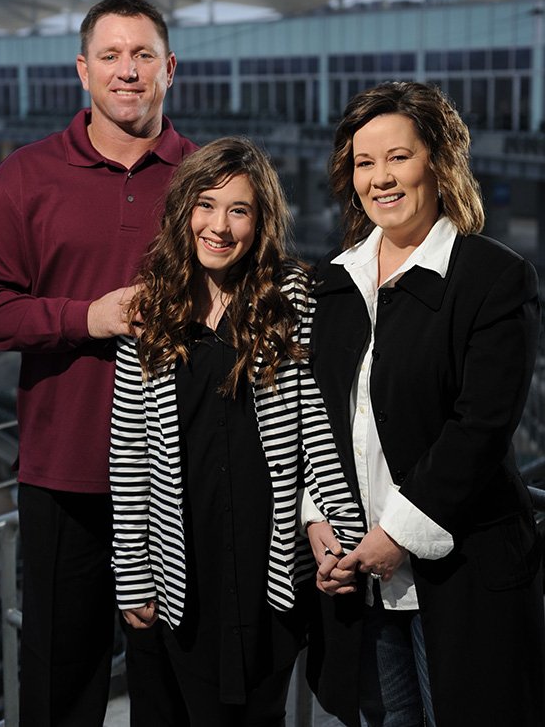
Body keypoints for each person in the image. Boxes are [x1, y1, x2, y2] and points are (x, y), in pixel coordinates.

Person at [0, 0, 197, 726]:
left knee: (174, 686)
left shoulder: (209, 182)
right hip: (65, 476)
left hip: (180, 475)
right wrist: (86, 317)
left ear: (170, 69)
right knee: (62, 684)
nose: (129, 71)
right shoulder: (24, 178)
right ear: (83, 71)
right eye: (113, 56)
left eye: (144, 54)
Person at [304, 81, 545, 727]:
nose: (380, 177)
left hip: (460, 575)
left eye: (398, 157)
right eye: (364, 162)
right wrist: (316, 520)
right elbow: (314, 418)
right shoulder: (334, 281)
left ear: (437, 161)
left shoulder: (493, 277)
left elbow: (481, 427)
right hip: (363, 577)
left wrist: (397, 535)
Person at [109, 136, 364, 727]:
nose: (218, 226)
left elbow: (316, 431)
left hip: (267, 561)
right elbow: (129, 459)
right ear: (184, 212)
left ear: (261, 220)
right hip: (180, 560)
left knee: (260, 713)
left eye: (239, 210)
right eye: (205, 204)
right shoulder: (152, 309)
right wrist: (133, 577)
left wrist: (339, 529)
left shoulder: (291, 298)